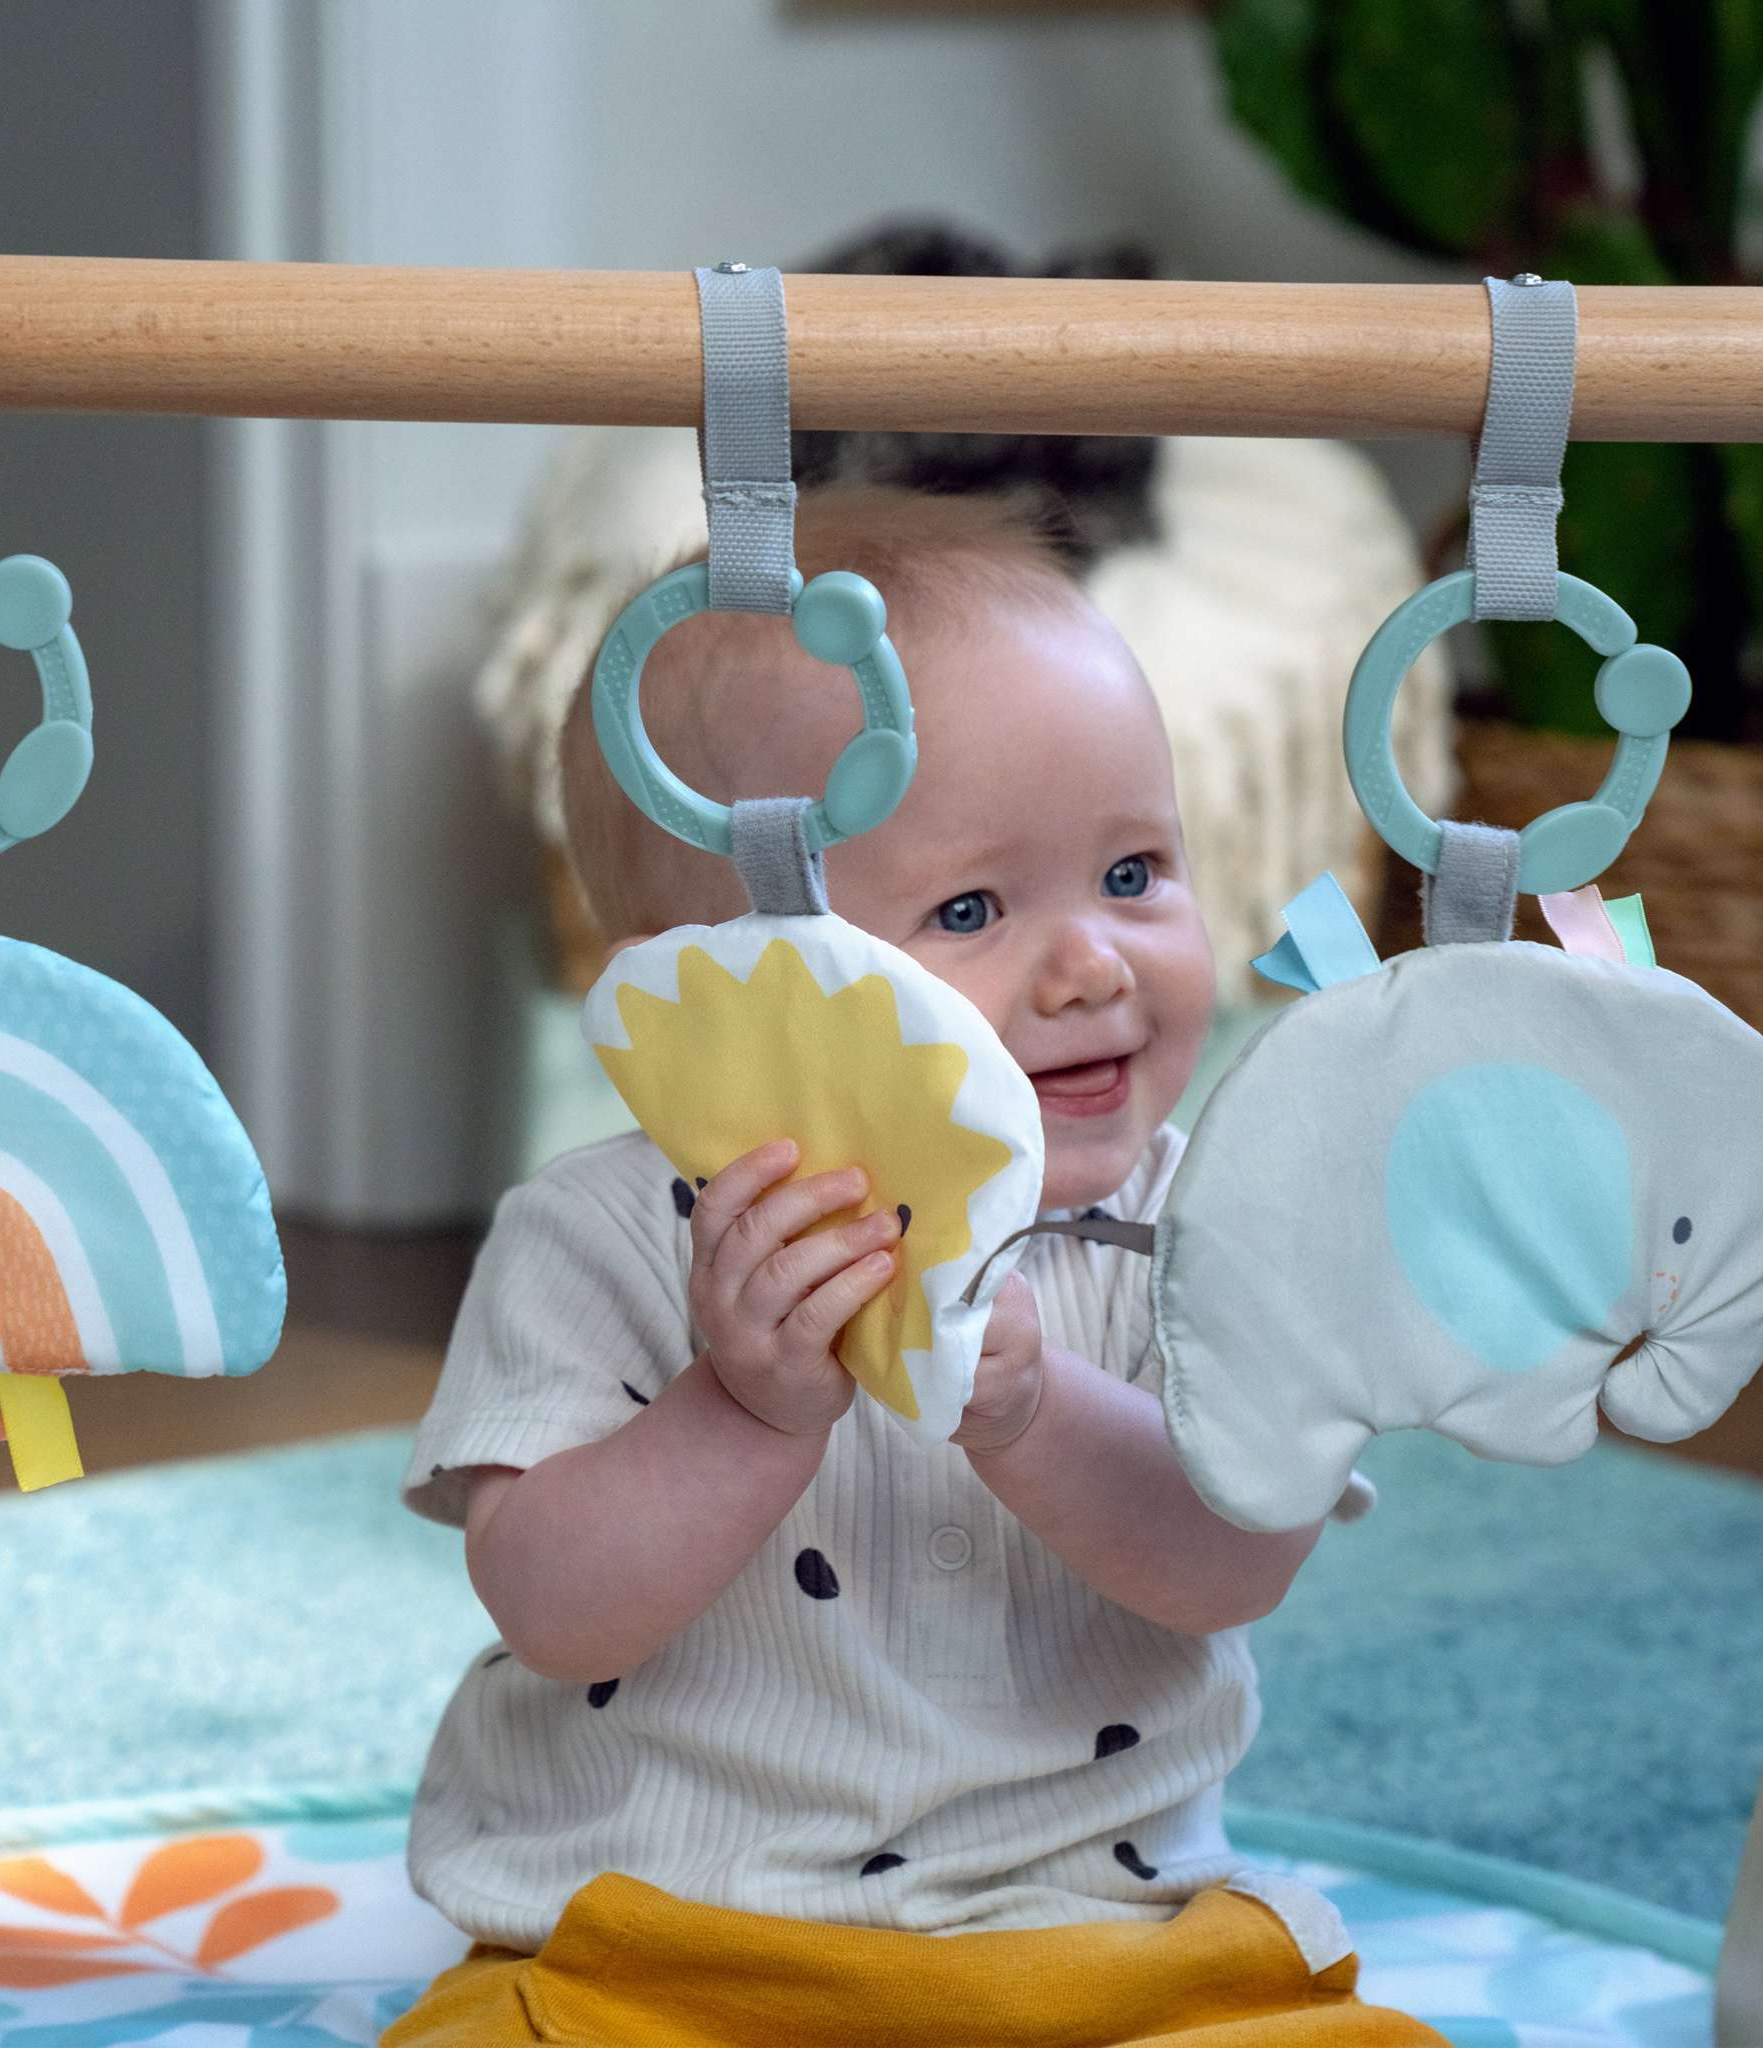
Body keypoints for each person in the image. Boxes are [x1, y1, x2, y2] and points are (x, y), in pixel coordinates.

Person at [383, 488, 1436, 2046]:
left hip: (1109, 1942)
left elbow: (1240, 1560)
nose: (1093, 965)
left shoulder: (1204, 1227)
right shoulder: (596, 1233)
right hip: (675, 1946)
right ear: (738, 994)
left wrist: (1031, 1414)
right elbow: (552, 1610)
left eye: (1136, 872)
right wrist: (743, 1409)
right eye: (970, 907)